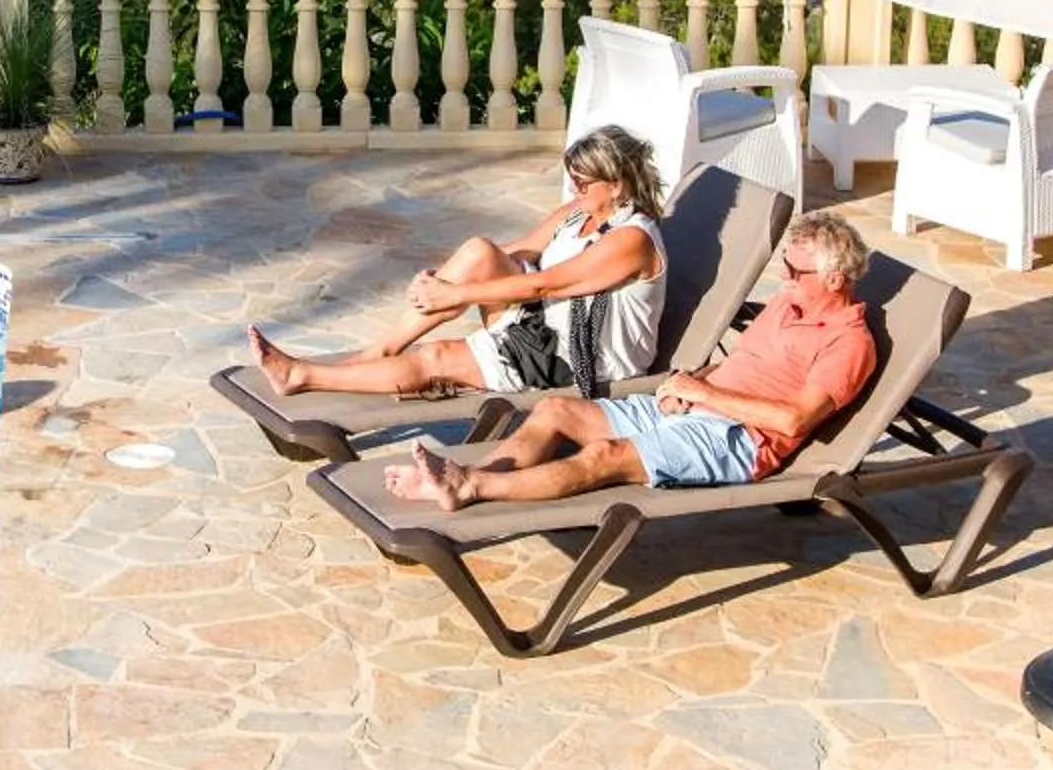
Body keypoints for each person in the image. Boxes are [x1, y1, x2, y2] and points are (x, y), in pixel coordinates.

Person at [384, 209, 880, 510]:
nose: (785, 276)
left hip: (736, 440)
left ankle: (469, 485)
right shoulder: (786, 304)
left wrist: (706, 395)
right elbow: (739, 366)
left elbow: (795, 419)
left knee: (605, 457)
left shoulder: (848, 343)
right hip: (693, 406)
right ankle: (459, 484)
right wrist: (688, 381)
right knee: (554, 410)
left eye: (796, 270)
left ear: (834, 280)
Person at [247, 124, 672, 402]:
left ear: (617, 185)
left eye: (583, 181)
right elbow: (515, 254)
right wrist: (446, 277)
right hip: (544, 324)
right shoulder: (578, 215)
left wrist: (457, 294)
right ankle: (383, 350)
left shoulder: (631, 240)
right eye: (571, 177)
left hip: (580, 356)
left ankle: (301, 376)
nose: (574, 187)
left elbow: (545, 285)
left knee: (437, 358)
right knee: (479, 250)